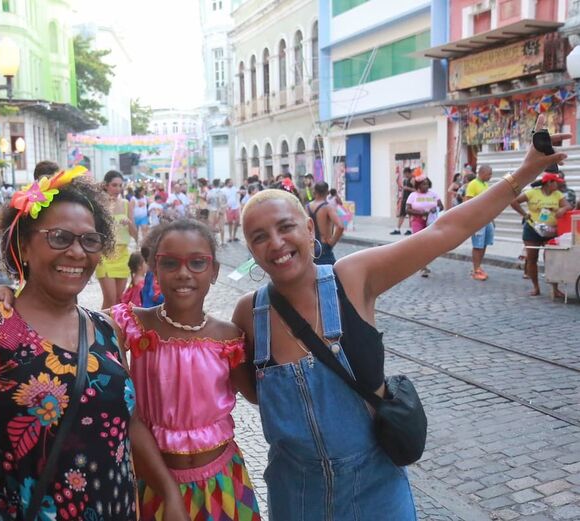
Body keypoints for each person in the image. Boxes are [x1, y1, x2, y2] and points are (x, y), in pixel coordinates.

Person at [230, 114, 567, 521]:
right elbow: (254, 393)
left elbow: (444, 231)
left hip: (375, 489)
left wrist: (525, 172)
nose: (276, 244)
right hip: (296, 495)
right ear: (249, 247)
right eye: (259, 237)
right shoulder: (249, 313)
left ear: (308, 228)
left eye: (285, 228)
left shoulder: (353, 278)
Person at [0, 171, 188, 521]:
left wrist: (168, 492)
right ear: (23, 246)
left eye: (89, 240)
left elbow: (130, 422)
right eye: (59, 237)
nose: (77, 252)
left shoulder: (106, 329)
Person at [110, 219, 261, 520]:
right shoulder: (130, 324)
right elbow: (68, 319)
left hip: (223, 479)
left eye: (197, 263)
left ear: (214, 271)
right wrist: (9, 298)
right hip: (152, 481)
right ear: (153, 267)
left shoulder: (229, 336)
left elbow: (259, 395)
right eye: (170, 263)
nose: (183, 273)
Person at [510, 171, 570, 297]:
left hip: (551, 231)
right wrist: (524, 214)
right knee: (532, 258)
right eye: (556, 183)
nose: (558, 185)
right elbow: (514, 202)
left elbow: (568, 206)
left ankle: (555, 289)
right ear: (549, 183)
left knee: (553, 259)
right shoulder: (532, 193)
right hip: (533, 229)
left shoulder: (558, 194)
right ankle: (536, 287)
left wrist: (562, 209)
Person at [97, 170, 137, 309]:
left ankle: (115, 328)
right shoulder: (99, 204)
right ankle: (100, 328)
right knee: (109, 298)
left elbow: (134, 233)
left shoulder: (126, 203)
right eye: (114, 185)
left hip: (123, 254)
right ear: (106, 185)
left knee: (118, 299)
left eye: (120, 185)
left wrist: (130, 224)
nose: (118, 189)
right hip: (105, 253)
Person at [406, 176, 444, 277]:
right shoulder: (413, 195)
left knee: (427, 244)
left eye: (427, 183)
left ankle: (423, 264)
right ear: (418, 185)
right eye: (423, 184)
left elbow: (441, 206)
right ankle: (422, 267)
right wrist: (420, 212)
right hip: (417, 221)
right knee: (419, 242)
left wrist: (434, 208)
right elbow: (407, 209)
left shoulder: (433, 194)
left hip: (431, 222)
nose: (426, 186)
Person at [464, 164, 495, 281]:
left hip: (487, 219)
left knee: (485, 243)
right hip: (478, 220)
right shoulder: (473, 184)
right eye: (489, 174)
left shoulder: (486, 185)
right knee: (477, 245)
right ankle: (475, 269)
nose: (490, 176)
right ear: (482, 173)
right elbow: (468, 202)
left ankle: (479, 267)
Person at [307, 182, 344, 265]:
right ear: (327, 192)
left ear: (314, 192)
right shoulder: (327, 207)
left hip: (311, 246)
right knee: (331, 274)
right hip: (324, 246)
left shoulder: (308, 207)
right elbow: (340, 226)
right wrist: (332, 242)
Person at [391, 166, 415, 235]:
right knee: (402, 215)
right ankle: (397, 229)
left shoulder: (413, 180)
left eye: (405, 174)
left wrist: (407, 188)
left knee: (411, 215)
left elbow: (416, 190)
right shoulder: (405, 180)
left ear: (408, 173)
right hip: (405, 200)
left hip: (411, 200)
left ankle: (410, 230)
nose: (404, 175)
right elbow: (404, 190)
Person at [207, 179, 227, 243]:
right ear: (219, 184)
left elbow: (208, 201)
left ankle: (213, 241)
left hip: (212, 211)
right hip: (220, 210)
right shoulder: (223, 192)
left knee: (212, 226)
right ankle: (222, 241)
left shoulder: (210, 192)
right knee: (221, 226)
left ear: (213, 184)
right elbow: (225, 202)